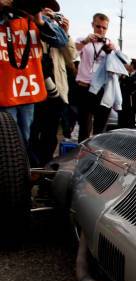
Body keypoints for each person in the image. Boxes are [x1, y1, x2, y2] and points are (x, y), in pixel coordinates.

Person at [0, 0, 67, 146]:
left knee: (25, 137)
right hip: (5, 88)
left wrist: (39, 20)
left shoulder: (37, 20)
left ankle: (21, 166)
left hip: (28, 90)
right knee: (6, 139)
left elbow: (62, 41)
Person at [30, 7, 76, 166]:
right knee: (32, 132)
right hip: (34, 88)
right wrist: (40, 22)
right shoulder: (31, 24)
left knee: (50, 136)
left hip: (57, 90)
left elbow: (72, 57)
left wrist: (65, 33)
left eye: (52, 11)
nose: (49, 13)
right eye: (44, 8)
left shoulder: (57, 32)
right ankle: (30, 169)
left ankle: (43, 170)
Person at [74, 12, 117, 141]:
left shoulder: (111, 44)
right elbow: (74, 50)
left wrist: (111, 51)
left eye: (104, 28)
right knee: (84, 128)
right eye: (98, 26)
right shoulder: (83, 40)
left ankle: (97, 157)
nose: (101, 30)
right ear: (93, 24)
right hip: (85, 88)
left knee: (100, 130)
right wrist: (86, 41)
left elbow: (117, 66)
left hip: (102, 89)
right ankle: (82, 157)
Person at [118, 58, 136, 128]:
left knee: (128, 127)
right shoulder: (126, 75)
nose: (127, 66)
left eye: (129, 64)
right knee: (120, 125)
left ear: (132, 66)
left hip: (131, 107)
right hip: (122, 105)